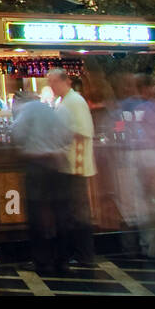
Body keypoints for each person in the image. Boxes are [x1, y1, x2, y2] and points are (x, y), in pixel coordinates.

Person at [12, 86, 67, 273]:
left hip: (37, 165)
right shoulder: (49, 110)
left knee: (37, 212)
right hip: (55, 164)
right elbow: (65, 135)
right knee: (57, 211)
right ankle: (61, 258)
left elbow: (16, 135)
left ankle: (41, 260)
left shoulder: (26, 110)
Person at [47, 67, 96, 268]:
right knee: (72, 212)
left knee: (78, 212)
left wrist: (60, 136)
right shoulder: (65, 102)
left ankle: (84, 255)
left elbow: (84, 131)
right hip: (68, 166)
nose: (50, 86)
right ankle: (77, 253)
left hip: (76, 167)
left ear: (63, 81)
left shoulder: (75, 102)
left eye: (52, 82)